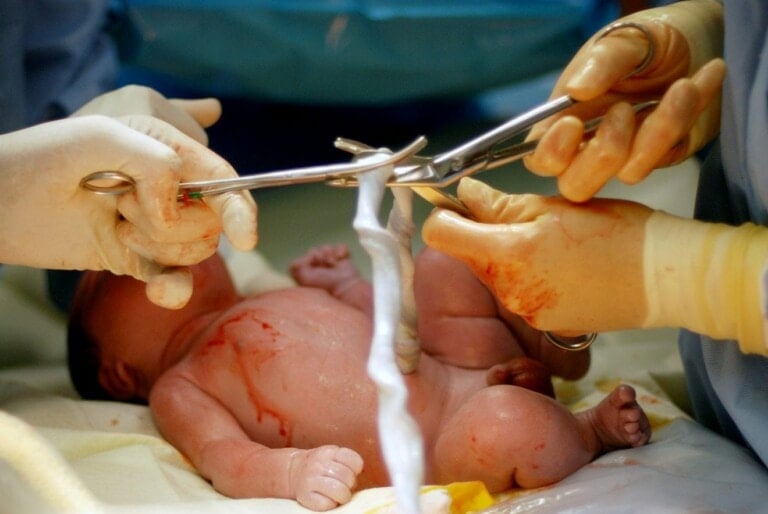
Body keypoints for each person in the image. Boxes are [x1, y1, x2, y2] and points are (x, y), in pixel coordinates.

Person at [421, 0, 768, 468]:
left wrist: (709, 280)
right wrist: (727, 45)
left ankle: (585, 426)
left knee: (448, 275)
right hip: (732, 391)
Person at [66, 244, 649, 511]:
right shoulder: (181, 383)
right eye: (114, 271)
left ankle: (553, 345)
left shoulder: (277, 293)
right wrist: (291, 471)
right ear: (118, 375)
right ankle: (588, 429)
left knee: (445, 263)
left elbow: (381, 316)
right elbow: (221, 454)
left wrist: (344, 283)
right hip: (443, 439)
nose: (143, 250)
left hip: (456, 363)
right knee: (509, 424)